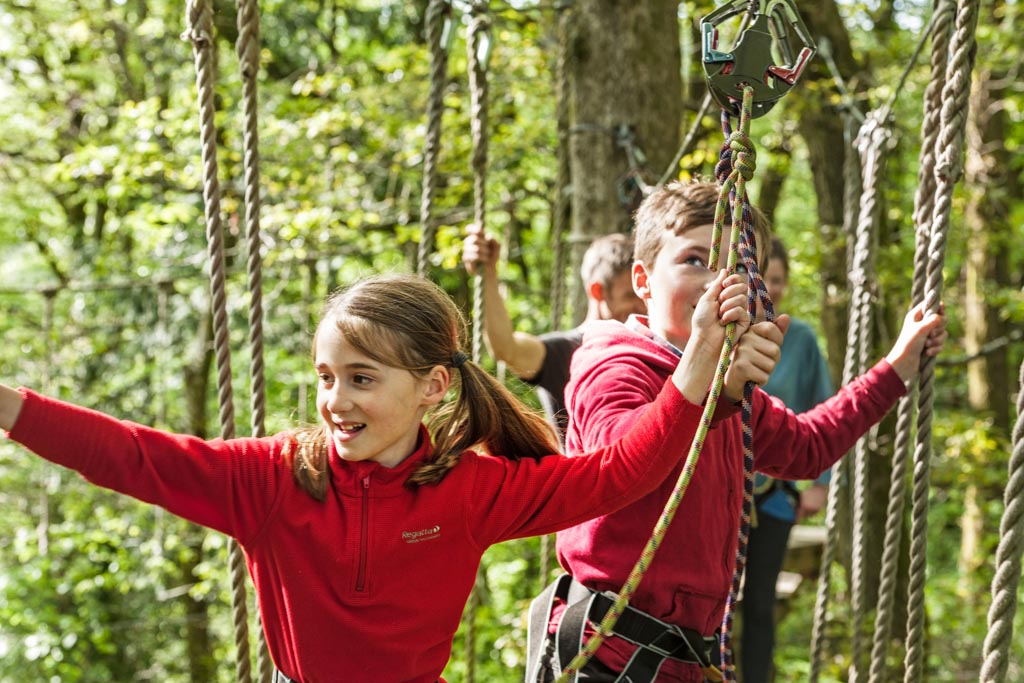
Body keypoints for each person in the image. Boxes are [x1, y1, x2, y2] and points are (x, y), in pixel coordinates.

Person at [0, 270, 752, 683]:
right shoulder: (273, 480)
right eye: (327, 377)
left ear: (430, 387)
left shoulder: (470, 491)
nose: (335, 400)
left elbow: (619, 473)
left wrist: (694, 371)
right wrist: (9, 406)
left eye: (361, 378)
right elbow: (133, 455)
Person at [528, 180, 948, 683]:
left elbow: (807, 449)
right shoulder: (613, 364)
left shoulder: (726, 389)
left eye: (740, 268)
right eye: (694, 261)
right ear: (642, 280)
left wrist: (896, 367)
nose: (718, 283)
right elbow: (622, 462)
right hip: (607, 653)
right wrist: (715, 379)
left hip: (680, 658)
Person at [740, 237, 834, 683]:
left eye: (777, 280)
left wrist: (822, 483)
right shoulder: (726, 333)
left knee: (761, 603)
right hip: (723, 488)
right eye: (763, 279)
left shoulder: (802, 341)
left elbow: (824, 407)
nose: (770, 288)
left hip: (775, 493)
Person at [462, 227, 645, 445]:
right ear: (598, 291)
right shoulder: (564, 350)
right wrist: (489, 273)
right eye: (630, 295)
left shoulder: (650, 349)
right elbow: (505, 347)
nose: (642, 304)